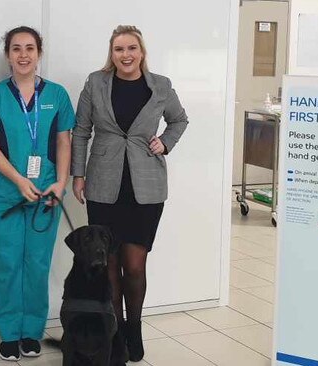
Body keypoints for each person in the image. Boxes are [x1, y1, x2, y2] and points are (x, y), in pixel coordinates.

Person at [71, 25, 189, 362]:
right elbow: (81, 131)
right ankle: (114, 331)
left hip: (146, 188)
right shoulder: (96, 82)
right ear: (111, 52)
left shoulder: (161, 86)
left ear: (141, 51)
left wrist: (165, 142)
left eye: (132, 48)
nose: (126, 55)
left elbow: (179, 120)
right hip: (103, 185)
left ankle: (133, 328)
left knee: (134, 265)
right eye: (119, 49)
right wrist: (77, 175)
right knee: (108, 265)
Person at [0, 26, 75, 361]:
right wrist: (18, 180)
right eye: (16, 48)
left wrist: (60, 183)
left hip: (46, 193)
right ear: (7, 55)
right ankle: (8, 332)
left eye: (29, 48)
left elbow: (64, 141)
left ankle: (32, 332)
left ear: (39, 53)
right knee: (6, 263)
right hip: (4, 193)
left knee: (37, 263)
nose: (23, 55)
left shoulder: (57, 95)